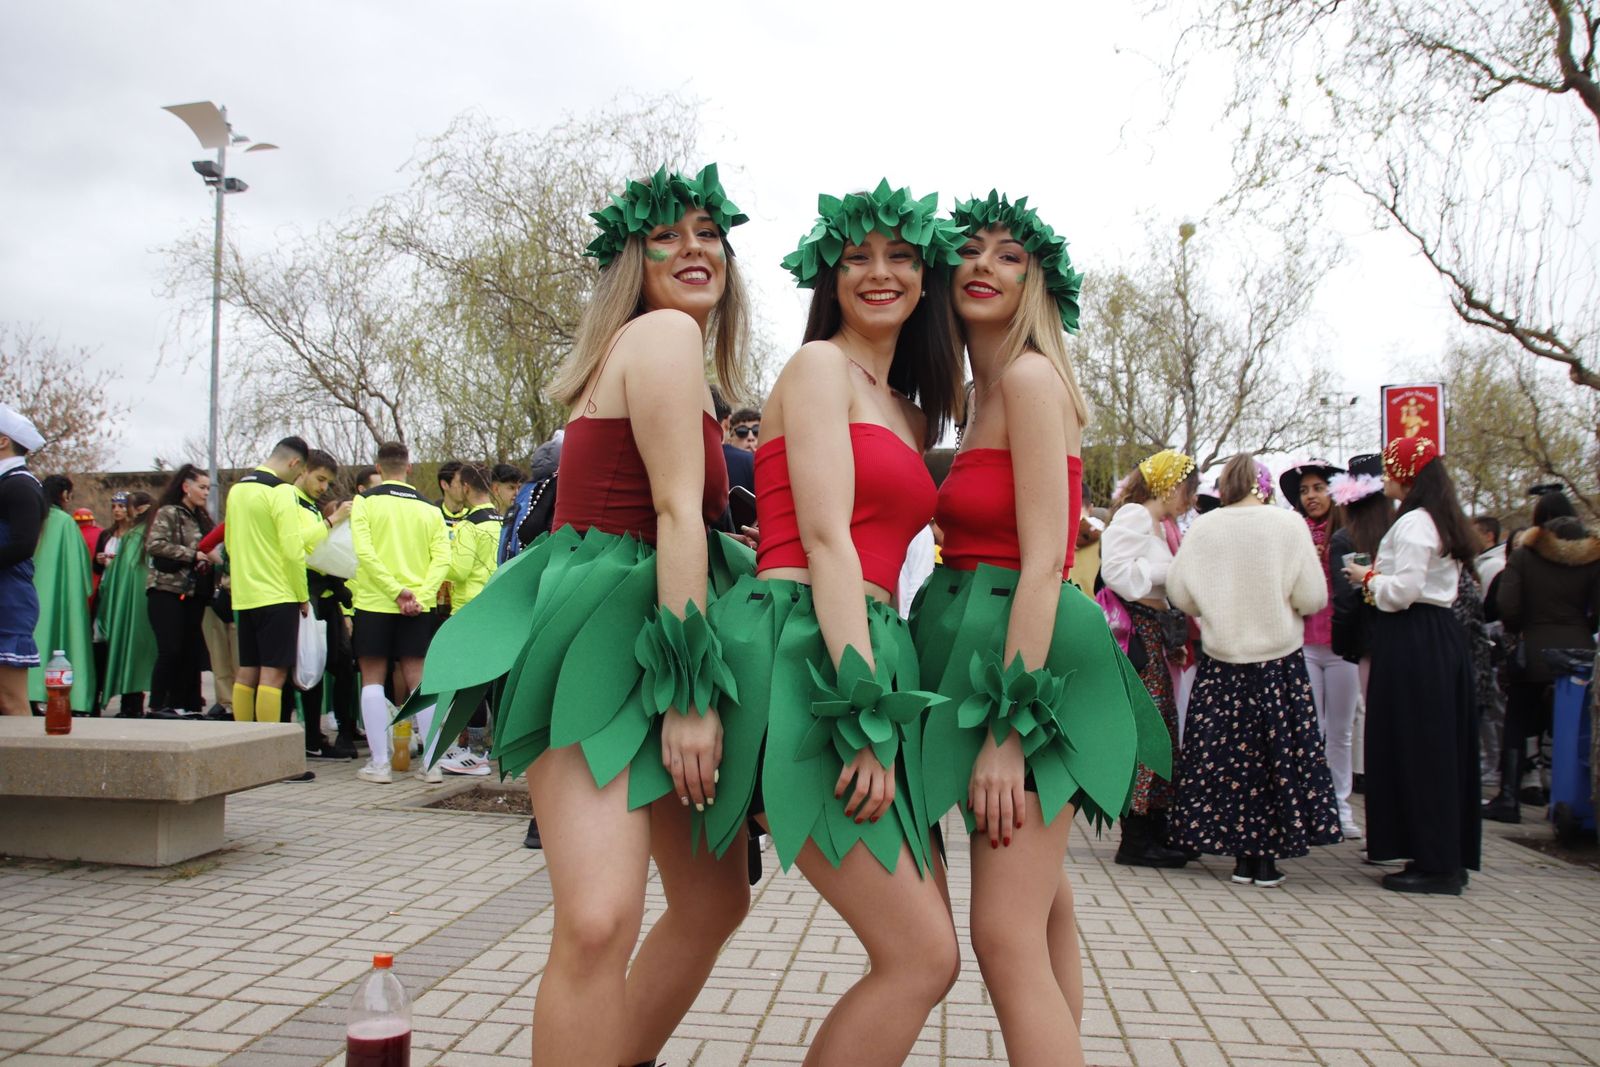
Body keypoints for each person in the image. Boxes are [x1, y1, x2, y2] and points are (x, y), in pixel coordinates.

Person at [401, 164, 756, 1066]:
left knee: (712, 902)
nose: (693, 249)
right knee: (598, 919)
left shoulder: (674, 351)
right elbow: (679, 513)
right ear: (630, 258)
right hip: (606, 635)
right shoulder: (665, 334)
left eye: (709, 233)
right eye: (668, 235)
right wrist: (689, 692)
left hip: (647, 617)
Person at [708, 181, 964, 1066]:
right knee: (920, 955)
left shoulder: (906, 405)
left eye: (899, 256)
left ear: (927, 277)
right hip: (812, 657)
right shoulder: (819, 367)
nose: (879, 271)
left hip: (873, 651)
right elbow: (825, 539)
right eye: (858, 256)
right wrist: (863, 716)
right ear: (830, 271)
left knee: (934, 956)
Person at [910, 192, 1166, 1066]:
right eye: (969, 252)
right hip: (989, 657)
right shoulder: (981, 391)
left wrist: (1008, 733)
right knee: (1045, 909)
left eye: (1008, 255)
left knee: (1002, 935)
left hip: (1027, 676)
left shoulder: (1026, 379)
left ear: (1038, 283)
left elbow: (1046, 563)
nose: (982, 266)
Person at [1168, 454, 1341, 887]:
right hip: (1277, 657)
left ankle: (1241, 853)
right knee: (1277, 755)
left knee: (1228, 759)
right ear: (1262, 485)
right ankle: (1268, 856)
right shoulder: (1288, 525)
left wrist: (1212, 606)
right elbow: (1312, 595)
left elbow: (1179, 591)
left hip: (1223, 658)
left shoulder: (1205, 527)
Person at [1341, 436, 1479, 894]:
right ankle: (1439, 854)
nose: (1386, 481)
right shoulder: (1434, 518)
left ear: (1407, 475)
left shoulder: (1416, 522)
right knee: (1432, 744)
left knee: (1420, 745)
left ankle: (1435, 863)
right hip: (1431, 637)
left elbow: (1403, 591)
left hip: (1415, 637)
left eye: (1391, 471)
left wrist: (1368, 578)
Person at [1100, 449, 1199, 867]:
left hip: (1154, 632)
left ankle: (1154, 827)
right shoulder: (1137, 516)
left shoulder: (1162, 526)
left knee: (1161, 725)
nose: (1191, 498)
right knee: (1147, 728)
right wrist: (1170, 575)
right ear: (1170, 485)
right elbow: (1116, 572)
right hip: (1136, 633)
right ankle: (1137, 836)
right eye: (1188, 489)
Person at [1483, 489, 1600, 822]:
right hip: (1579, 652)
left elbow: (1508, 605)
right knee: (1571, 727)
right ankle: (1569, 800)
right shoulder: (1593, 556)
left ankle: (1508, 798)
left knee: (1517, 723)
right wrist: (1581, 624)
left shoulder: (1525, 555)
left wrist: (1522, 628)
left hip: (1532, 650)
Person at [350, 440, 450, 784]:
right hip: (418, 606)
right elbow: (443, 558)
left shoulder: (365, 502)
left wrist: (395, 591)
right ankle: (433, 765)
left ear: (378, 469)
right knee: (419, 682)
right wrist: (419, 594)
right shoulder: (429, 508)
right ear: (409, 468)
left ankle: (380, 764)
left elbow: (364, 551)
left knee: (373, 680)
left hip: (375, 602)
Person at [1281, 458, 1362, 839]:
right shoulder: (1294, 533)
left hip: (1342, 646)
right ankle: (1313, 807)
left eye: (1318, 488)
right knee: (1310, 728)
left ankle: (1341, 806)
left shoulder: (1350, 533)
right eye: (1304, 491)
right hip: (1305, 644)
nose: (1311, 496)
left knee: (1342, 730)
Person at [225, 437, 315, 726]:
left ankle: (240, 742)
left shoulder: (237, 489)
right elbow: (292, 550)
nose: (297, 478)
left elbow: (229, 543)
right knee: (273, 674)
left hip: (244, 594)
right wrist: (302, 595)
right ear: (294, 463)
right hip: (278, 593)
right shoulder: (281, 491)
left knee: (247, 669)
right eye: (299, 472)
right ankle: (268, 749)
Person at [1326, 453, 1393, 794]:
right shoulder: (1403, 528)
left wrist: (1343, 641)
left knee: (1376, 728)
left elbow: (1349, 597)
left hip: (1369, 643)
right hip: (1412, 639)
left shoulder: (1345, 540)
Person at [434, 462, 501, 777]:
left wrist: (435, 560)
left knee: (470, 686)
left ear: (465, 487)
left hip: (469, 611)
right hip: (497, 608)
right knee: (492, 684)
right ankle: (495, 745)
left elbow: (458, 571)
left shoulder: (470, 527)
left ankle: (475, 754)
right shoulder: (501, 520)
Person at [293, 450, 356, 757]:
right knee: (311, 665)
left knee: (343, 665)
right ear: (302, 470)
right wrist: (333, 520)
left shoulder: (310, 505)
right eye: (319, 479)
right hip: (306, 596)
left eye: (327, 482)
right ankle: (310, 738)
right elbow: (299, 544)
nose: (322, 487)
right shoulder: (289, 501)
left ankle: (342, 731)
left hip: (327, 594)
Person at [142, 464, 214, 717]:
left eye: (208, 488)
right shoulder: (169, 513)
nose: (206, 493)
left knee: (190, 649)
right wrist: (193, 555)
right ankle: (158, 704)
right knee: (170, 648)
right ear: (186, 487)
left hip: (194, 593)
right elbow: (155, 544)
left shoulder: (202, 518)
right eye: (202, 487)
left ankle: (187, 703)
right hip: (166, 590)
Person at [29, 473, 97, 713]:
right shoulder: (65, 523)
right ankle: (69, 697)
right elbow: (79, 567)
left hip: (29, 594)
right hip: (60, 599)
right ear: (64, 495)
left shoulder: (33, 519)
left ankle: (29, 691)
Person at [0, 404, 47, 716]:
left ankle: (34, 764)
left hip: (8, 600)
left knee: (9, 698)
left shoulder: (20, 484)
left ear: (3, 440)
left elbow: (22, 545)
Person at [97, 491, 157, 717]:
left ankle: (133, 701)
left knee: (132, 649)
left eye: (123, 506)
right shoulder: (116, 536)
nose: (118, 510)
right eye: (114, 506)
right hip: (132, 599)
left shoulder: (137, 536)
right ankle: (132, 702)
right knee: (131, 649)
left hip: (133, 601)